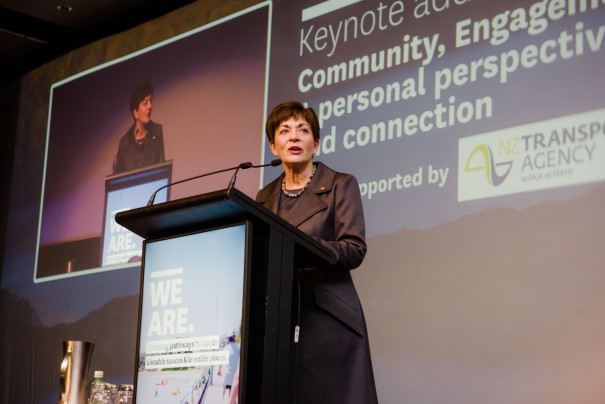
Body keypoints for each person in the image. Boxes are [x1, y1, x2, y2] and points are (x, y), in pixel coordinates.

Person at [256, 101, 378, 403]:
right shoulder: (264, 197)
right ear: (274, 146)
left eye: (303, 130)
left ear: (316, 143)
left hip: (328, 319)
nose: (294, 137)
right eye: (285, 131)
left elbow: (354, 248)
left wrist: (300, 246)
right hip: (280, 321)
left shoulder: (340, 185)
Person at [113, 80, 165, 174]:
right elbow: (117, 178)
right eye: (145, 103)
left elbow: (163, 169)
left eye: (150, 101)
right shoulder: (124, 143)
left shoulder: (156, 132)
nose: (150, 106)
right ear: (136, 113)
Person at [217, 334, 240, 402]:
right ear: (234, 338)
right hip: (234, 375)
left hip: (226, 375)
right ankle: (233, 401)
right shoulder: (238, 347)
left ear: (228, 340)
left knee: (223, 386)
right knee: (232, 388)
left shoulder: (225, 348)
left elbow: (220, 362)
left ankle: (222, 401)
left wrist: (219, 370)